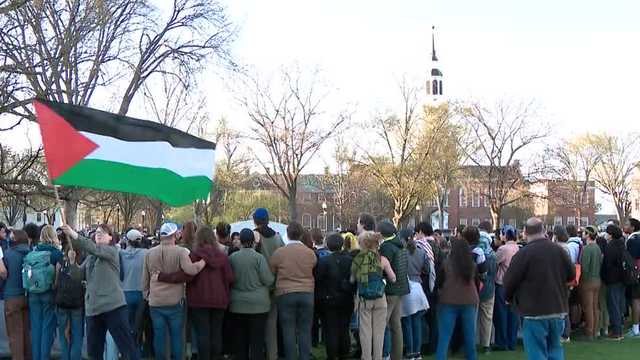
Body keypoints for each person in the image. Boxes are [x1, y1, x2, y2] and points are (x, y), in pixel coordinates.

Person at [61, 224, 142, 360]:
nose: (98, 234)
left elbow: (93, 248)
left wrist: (73, 234)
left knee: (127, 347)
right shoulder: (91, 257)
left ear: (110, 237)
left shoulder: (111, 252)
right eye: (97, 232)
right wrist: (72, 262)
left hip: (113, 307)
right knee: (94, 351)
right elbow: (78, 276)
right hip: (93, 308)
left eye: (103, 232)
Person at [157, 225, 235, 360]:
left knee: (202, 333)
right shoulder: (222, 257)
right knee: (216, 332)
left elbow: (186, 275)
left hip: (198, 300)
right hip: (219, 299)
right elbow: (230, 278)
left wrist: (162, 276)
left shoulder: (194, 256)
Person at [504, 218, 575, 360]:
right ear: (543, 230)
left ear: (525, 232)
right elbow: (571, 275)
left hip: (534, 311)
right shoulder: (559, 251)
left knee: (536, 352)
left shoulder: (523, 254)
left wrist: (508, 298)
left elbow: (509, 281)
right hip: (557, 309)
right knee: (555, 350)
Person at [141, 222, 206, 360]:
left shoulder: (149, 253)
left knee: (159, 336)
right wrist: (202, 262)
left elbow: (145, 278)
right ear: (173, 235)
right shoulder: (181, 252)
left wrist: (146, 294)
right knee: (177, 336)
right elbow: (191, 270)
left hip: (156, 301)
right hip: (175, 301)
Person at [270, 221, 317, 360]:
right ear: (301, 234)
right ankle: (305, 357)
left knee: (288, 329)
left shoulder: (279, 253)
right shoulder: (310, 253)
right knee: (305, 329)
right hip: (307, 293)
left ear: (288, 235)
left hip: (285, 294)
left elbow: (272, 271)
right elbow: (314, 266)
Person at [229, 229, 275, 360]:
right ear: (253, 241)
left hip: (237, 304)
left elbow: (229, 279)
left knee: (240, 342)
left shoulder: (233, 258)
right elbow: (268, 280)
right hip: (259, 306)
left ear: (240, 241)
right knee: (257, 342)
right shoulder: (259, 258)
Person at [435, 227, 479, 360]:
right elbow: (477, 283)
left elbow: (439, 283)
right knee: (470, 338)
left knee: (444, 338)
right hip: (469, 301)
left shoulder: (446, 263)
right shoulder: (471, 265)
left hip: (448, 301)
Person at [351, 231, 396, 360]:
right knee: (379, 333)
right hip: (380, 298)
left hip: (364, 298)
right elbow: (393, 278)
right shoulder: (382, 259)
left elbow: (352, 279)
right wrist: (383, 279)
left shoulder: (358, 259)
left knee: (365, 332)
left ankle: (366, 357)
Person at [315, 233, 355, 360]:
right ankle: (344, 351)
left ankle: (333, 354)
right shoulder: (349, 260)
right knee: (344, 327)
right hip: (346, 298)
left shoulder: (323, 261)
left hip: (329, 299)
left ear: (328, 245)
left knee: (330, 328)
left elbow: (318, 279)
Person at [253, 208, 285, 360]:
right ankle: (273, 355)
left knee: (257, 324)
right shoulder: (278, 239)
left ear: (255, 221)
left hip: (258, 286)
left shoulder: (254, 236)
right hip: (275, 285)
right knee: (272, 324)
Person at [28, 224, 63, 360]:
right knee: (47, 328)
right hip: (49, 293)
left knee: (36, 329)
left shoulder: (33, 252)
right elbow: (58, 275)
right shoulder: (56, 254)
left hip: (33, 293)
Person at [378, 221, 409, 360]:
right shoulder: (400, 244)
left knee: (381, 324)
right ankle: (397, 356)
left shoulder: (386, 247)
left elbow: (383, 267)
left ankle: (380, 355)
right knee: (396, 325)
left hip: (390, 289)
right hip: (401, 287)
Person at [54, 235, 85, 360]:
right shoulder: (83, 262)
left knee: (63, 335)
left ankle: (65, 357)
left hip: (62, 302)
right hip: (77, 302)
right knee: (77, 335)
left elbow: (56, 283)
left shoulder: (61, 261)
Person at [401, 230, 430, 360]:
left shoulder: (401, 253)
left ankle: (410, 352)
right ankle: (417, 353)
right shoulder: (421, 252)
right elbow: (427, 270)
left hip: (407, 286)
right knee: (416, 322)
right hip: (418, 286)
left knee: (407, 322)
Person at [3, 229, 32, 360]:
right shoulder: (31, 252)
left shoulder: (8, 254)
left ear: (15, 239)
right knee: (27, 332)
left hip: (12, 296)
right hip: (28, 296)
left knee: (15, 334)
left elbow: (3, 273)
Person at [414, 222, 440, 355]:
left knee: (422, 317)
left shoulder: (422, 246)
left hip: (424, 284)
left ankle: (423, 345)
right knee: (433, 318)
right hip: (436, 286)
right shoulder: (437, 245)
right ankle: (433, 345)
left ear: (420, 232)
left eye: (416, 233)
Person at [492, 225, 519, 351]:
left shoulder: (503, 249)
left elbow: (494, 262)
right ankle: (512, 341)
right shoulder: (518, 248)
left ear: (505, 235)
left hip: (502, 283)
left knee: (501, 314)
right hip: (515, 285)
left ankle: (502, 342)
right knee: (513, 314)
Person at [119, 229, 148, 346]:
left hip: (125, 292)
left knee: (127, 324)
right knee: (139, 325)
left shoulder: (120, 253)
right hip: (140, 293)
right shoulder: (146, 253)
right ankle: (137, 349)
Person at [601, 224, 627, 340]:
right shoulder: (622, 245)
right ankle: (619, 330)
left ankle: (616, 332)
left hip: (613, 279)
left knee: (614, 305)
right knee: (619, 305)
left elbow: (607, 265)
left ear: (610, 234)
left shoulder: (610, 247)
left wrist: (604, 278)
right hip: (622, 278)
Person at [476, 221, 497, 354]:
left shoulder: (474, 253)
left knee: (472, 317)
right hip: (489, 288)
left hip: (475, 288)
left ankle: (471, 343)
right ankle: (486, 345)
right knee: (487, 318)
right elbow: (494, 273)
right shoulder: (492, 254)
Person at [580, 226, 602, 340]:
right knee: (595, 307)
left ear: (588, 234)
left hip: (588, 281)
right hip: (597, 280)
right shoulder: (598, 248)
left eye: (584, 232)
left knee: (588, 308)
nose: (582, 234)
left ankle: (589, 333)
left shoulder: (587, 248)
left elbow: (584, 267)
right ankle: (595, 331)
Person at [552, 224, 572, 342]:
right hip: (565, 281)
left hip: (560, 281)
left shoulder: (560, 248)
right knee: (564, 307)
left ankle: (564, 334)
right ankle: (565, 333)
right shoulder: (566, 247)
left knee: (561, 308)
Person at [624, 218, 640, 338]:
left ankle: (635, 328)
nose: (625, 226)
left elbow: (631, 260)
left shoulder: (633, 240)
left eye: (627, 224)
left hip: (636, 273)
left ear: (633, 227)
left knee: (636, 299)